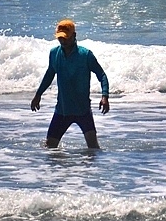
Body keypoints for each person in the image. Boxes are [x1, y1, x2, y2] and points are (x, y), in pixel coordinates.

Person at [30, 19, 110, 149]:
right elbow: (49, 74)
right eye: (60, 38)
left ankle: (92, 170)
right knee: (49, 148)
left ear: (74, 36)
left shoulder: (85, 55)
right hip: (62, 111)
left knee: (94, 149)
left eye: (66, 38)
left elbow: (102, 75)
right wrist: (38, 94)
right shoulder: (54, 53)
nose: (62, 41)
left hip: (83, 111)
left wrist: (104, 96)